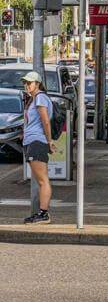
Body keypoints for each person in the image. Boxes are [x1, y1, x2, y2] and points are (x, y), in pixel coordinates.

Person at [21, 71, 54, 224]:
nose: (27, 85)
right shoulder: (33, 99)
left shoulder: (40, 98)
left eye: (29, 83)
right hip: (31, 141)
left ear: (37, 84)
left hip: (37, 141)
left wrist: (49, 141)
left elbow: (45, 121)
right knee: (40, 179)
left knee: (42, 180)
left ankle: (43, 213)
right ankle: (41, 213)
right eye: (25, 83)